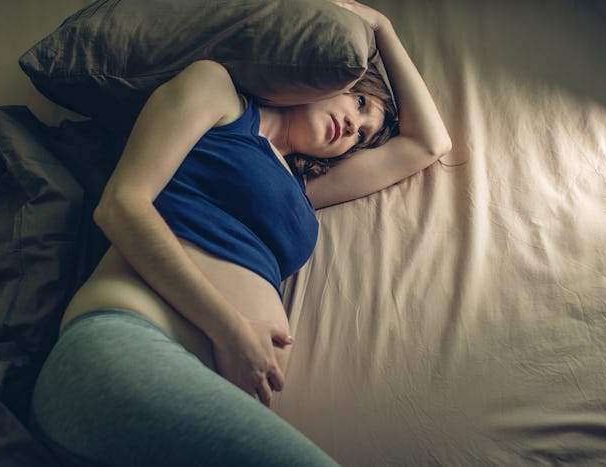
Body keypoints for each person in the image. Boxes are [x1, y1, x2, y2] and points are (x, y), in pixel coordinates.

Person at [30, 1, 452, 465]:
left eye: (363, 134)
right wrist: (229, 330)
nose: (354, 125)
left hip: (197, 390)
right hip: (123, 344)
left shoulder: (304, 187)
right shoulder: (219, 93)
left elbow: (427, 144)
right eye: (360, 101)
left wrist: (386, 29)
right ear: (330, 80)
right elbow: (121, 204)